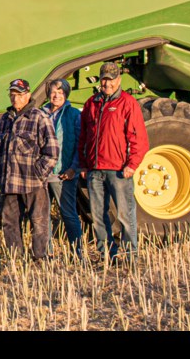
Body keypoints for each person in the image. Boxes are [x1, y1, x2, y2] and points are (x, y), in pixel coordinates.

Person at [78, 62, 148, 262]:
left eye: (111, 79)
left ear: (119, 80)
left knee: (125, 215)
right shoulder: (92, 103)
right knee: (98, 216)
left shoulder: (128, 103)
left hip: (118, 170)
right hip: (94, 170)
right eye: (104, 79)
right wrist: (84, 163)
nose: (107, 83)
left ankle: (130, 256)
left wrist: (132, 164)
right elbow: (83, 137)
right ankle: (107, 254)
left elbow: (138, 138)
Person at [0, 78, 59, 261]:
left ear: (28, 95)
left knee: (38, 222)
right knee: (9, 223)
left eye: (20, 95)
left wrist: (39, 174)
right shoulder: (6, 119)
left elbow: (52, 151)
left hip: (33, 183)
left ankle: (40, 257)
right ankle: (16, 259)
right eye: (12, 94)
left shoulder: (39, 117)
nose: (15, 98)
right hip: (11, 182)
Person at [42, 78, 83, 257]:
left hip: (63, 174)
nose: (56, 95)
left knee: (68, 213)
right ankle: (46, 253)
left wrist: (74, 168)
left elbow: (80, 144)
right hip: (43, 174)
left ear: (66, 94)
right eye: (53, 91)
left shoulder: (73, 114)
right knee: (42, 217)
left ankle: (77, 253)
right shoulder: (40, 114)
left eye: (60, 92)